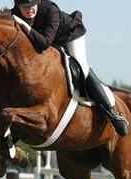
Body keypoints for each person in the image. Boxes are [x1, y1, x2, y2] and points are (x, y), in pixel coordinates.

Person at [11, 0, 129, 136]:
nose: (30, 9)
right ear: (18, 6)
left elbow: (44, 43)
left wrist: (23, 25)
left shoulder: (50, 10)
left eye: (33, 5)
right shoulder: (13, 14)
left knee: (81, 67)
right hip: (50, 40)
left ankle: (112, 113)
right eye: (25, 6)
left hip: (70, 35)